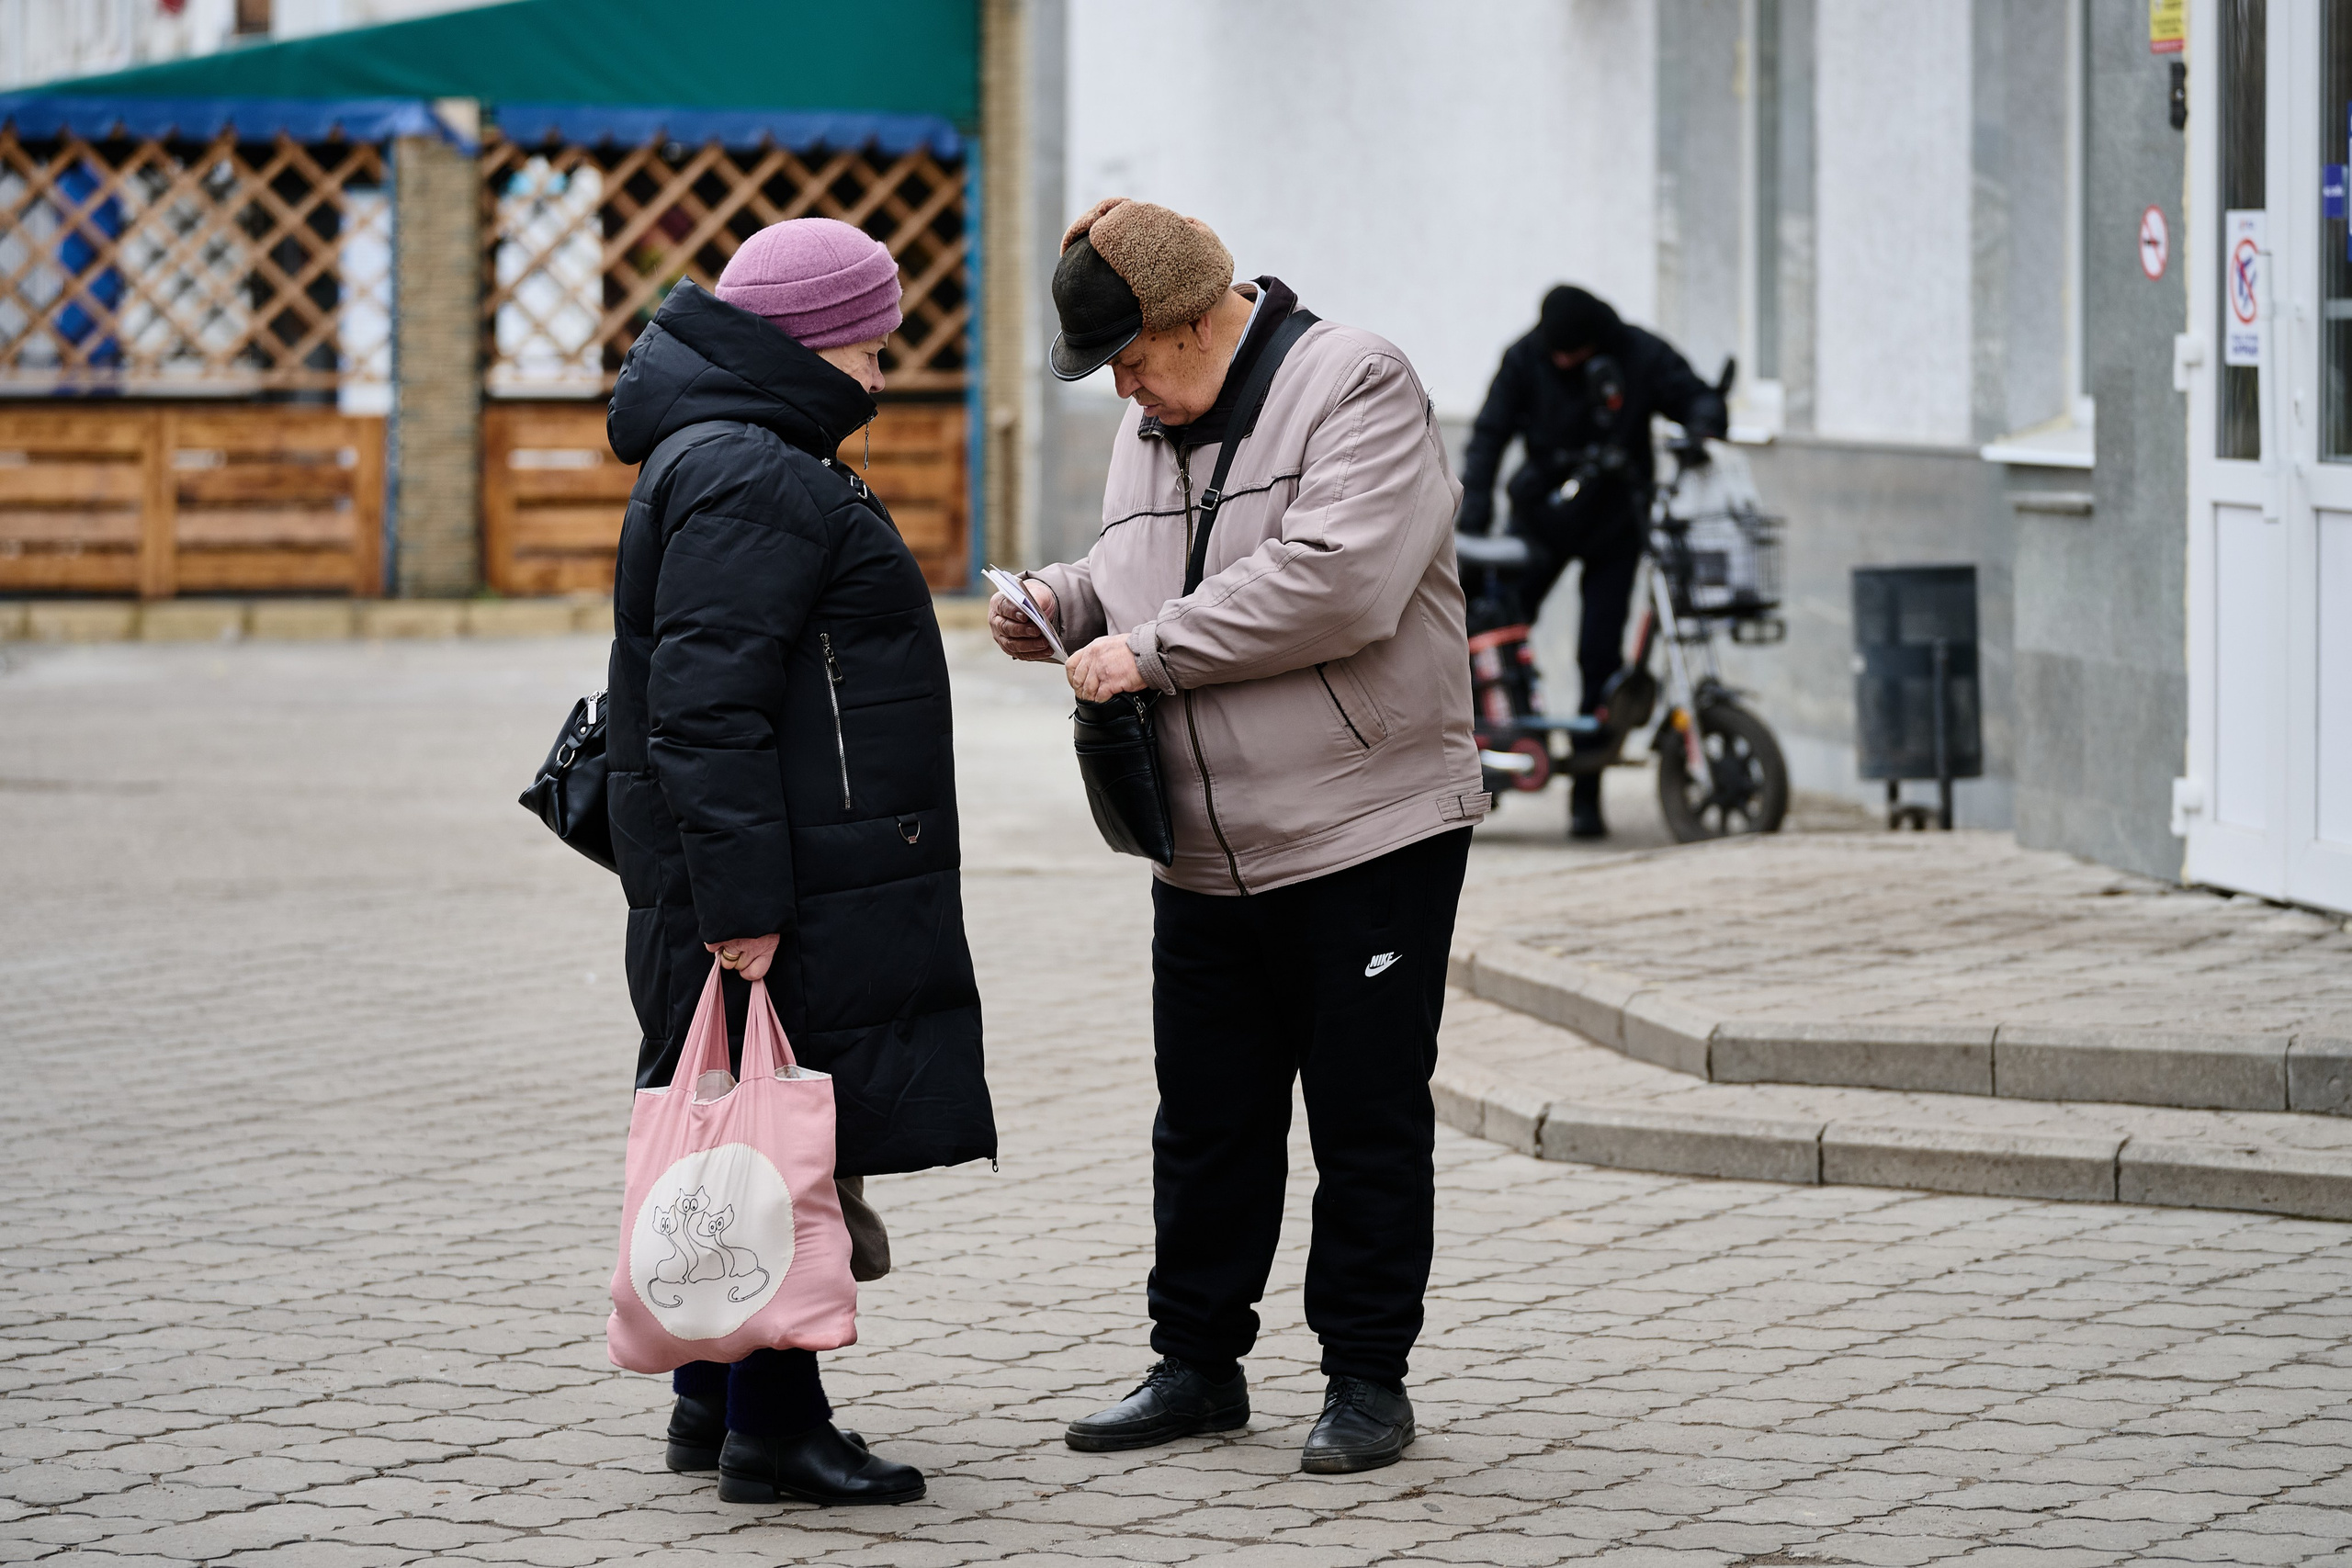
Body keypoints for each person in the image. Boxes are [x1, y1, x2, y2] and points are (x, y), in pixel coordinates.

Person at [991, 197, 1486, 1475]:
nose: (1126, 389)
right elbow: (1137, 563)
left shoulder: (1355, 381)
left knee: (1365, 1113)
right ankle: (1196, 1364)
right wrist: (1064, 598)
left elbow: (1338, 578)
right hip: (1203, 840)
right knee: (1206, 1117)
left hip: (1364, 829)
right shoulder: (1152, 423)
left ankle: (1367, 1378)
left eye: (1137, 360)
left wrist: (1142, 650)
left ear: (1203, 319)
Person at [604, 218, 997, 1508]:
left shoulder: (727, 451)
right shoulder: (755, 469)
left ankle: (707, 1391)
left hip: (784, 865)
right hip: (781, 883)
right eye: (874, 348)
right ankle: (776, 1424)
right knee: (778, 1139)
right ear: (822, 340)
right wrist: (746, 907)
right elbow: (705, 707)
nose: (881, 376)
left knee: (742, 1118)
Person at [1456, 285, 1726, 838]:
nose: (1560, 362)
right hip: (1540, 523)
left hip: (1614, 528)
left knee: (1597, 657)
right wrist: (1474, 517)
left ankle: (1586, 793)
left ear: (1593, 342)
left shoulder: (1638, 354)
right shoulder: (1526, 355)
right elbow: (1489, 436)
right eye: (1555, 353)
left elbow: (1694, 395)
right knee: (1488, 632)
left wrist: (1703, 427)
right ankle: (1483, 760)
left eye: (1570, 355)